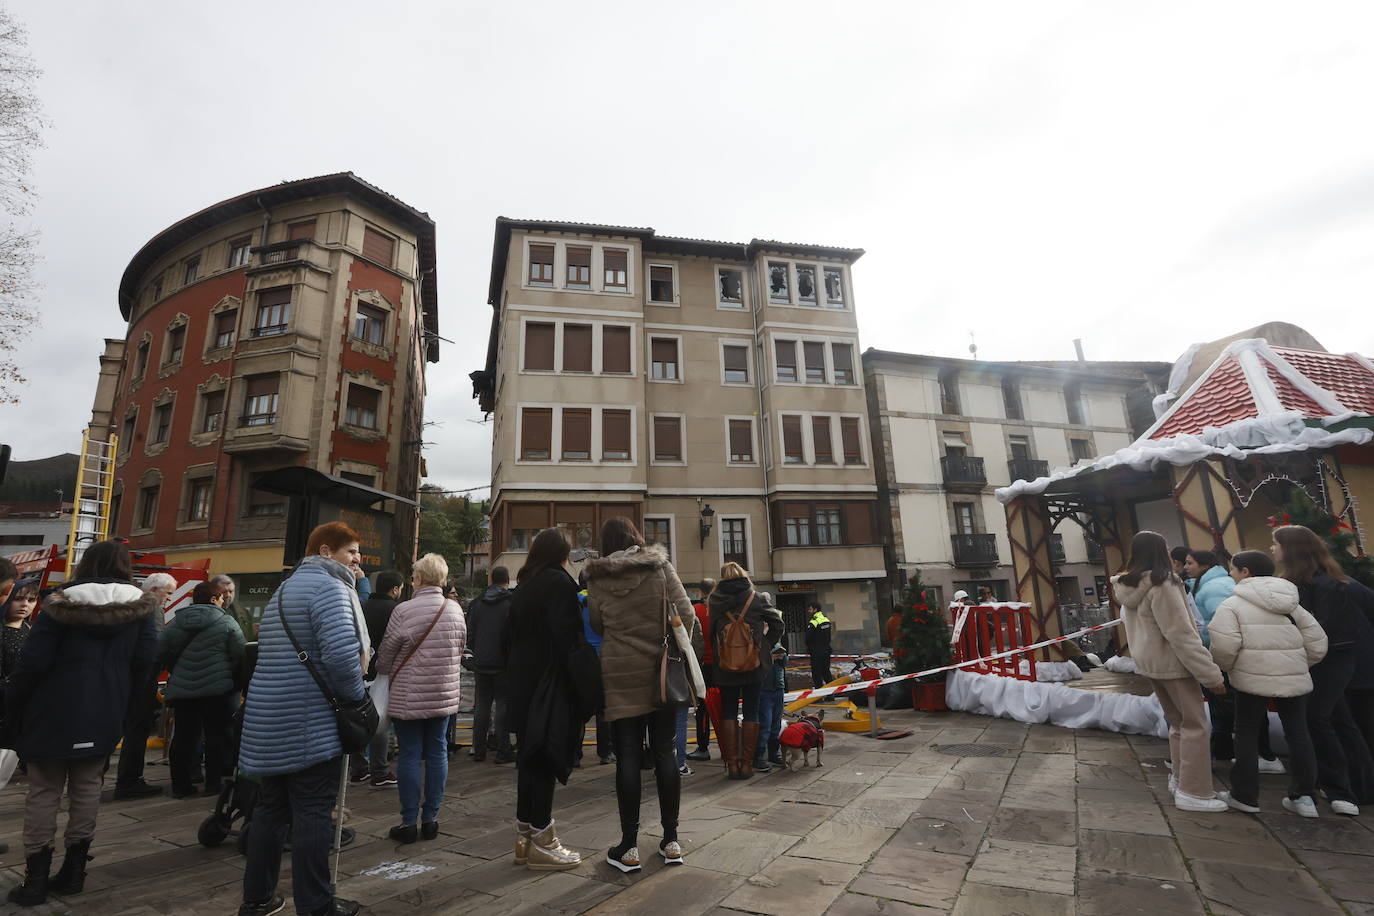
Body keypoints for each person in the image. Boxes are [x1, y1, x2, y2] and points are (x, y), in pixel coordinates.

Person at [3, 540, 159, 905]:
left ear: (86, 565)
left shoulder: (59, 605)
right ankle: (74, 873)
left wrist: (13, 703)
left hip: (51, 711)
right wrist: (127, 710)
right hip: (106, 710)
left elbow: (33, 663)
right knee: (88, 788)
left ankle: (35, 880)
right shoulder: (141, 610)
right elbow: (145, 666)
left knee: (44, 791)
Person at [238, 522, 368, 916]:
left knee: (271, 809)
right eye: (351, 551)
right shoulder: (330, 588)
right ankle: (315, 905)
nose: (357, 559)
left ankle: (258, 898)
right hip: (309, 720)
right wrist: (356, 700)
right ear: (325, 551)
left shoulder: (285, 589)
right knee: (313, 811)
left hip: (269, 719)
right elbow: (342, 657)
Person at [585, 517, 698, 872]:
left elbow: (597, 624)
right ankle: (671, 840)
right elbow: (687, 614)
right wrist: (672, 649)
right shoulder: (659, 567)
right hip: (660, 674)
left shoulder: (597, 578)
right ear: (635, 537)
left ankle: (629, 847)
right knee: (665, 751)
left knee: (628, 757)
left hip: (620, 674)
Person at [1111, 530, 1229, 812]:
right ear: (1161, 550)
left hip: (1151, 664)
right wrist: (1210, 674)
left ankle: (1180, 779)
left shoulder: (1129, 585)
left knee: (1178, 724)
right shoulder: (1164, 583)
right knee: (1196, 726)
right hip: (1175, 664)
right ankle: (1194, 791)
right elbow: (1181, 634)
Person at [1208, 550, 1327, 816]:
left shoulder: (1232, 605)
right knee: (1298, 732)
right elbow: (1318, 643)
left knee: (1247, 732)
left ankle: (1245, 795)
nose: (1230, 574)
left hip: (1251, 678)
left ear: (1245, 572)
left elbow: (1224, 647)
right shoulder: (1292, 604)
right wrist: (1297, 664)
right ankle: (1305, 797)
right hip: (1293, 676)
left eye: (1233, 569)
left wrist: (1230, 668)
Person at [1273, 524, 1374, 815]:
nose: (1272, 549)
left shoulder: (1326, 585)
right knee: (1339, 721)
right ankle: (1353, 787)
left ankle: (1344, 789)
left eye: (1276, 543)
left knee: (1319, 720)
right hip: (1335, 662)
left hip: (1331, 663)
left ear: (1291, 550)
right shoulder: (1321, 581)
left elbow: (1321, 630)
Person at [504, 528, 583, 871]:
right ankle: (543, 840)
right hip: (549, 685)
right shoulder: (559, 583)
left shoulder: (524, 584)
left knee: (528, 759)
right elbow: (568, 640)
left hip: (522, 684)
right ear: (562, 554)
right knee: (546, 758)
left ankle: (524, 838)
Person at [376, 553, 466, 844]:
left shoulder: (404, 610)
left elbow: (385, 657)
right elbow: (460, 648)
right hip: (442, 694)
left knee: (410, 754)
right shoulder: (455, 610)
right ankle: (431, 819)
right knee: (438, 751)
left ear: (418, 578)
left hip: (409, 695)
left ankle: (408, 822)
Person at [158, 577, 247, 799]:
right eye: (221, 597)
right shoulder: (227, 622)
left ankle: (181, 786)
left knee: (183, 737)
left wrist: (177, 670)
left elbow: (161, 650)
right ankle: (213, 785)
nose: (223, 600)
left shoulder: (177, 622)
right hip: (217, 691)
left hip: (183, 691)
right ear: (214, 599)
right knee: (215, 736)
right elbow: (240, 654)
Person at [709, 563, 784, 780]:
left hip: (725, 666)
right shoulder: (756, 598)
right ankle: (747, 765)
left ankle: (733, 765)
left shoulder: (714, 601)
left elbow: (711, 633)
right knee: (752, 711)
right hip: (754, 665)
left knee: (729, 712)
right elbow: (778, 624)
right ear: (744, 576)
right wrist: (764, 646)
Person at [113, 572, 175, 801]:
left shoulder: (128, 605)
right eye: (168, 593)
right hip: (142, 680)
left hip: (121, 677)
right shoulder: (151, 609)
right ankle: (130, 781)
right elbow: (153, 647)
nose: (169, 598)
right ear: (155, 590)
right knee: (137, 731)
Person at [352, 569, 403, 787]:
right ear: (395, 590)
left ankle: (358, 768)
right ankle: (379, 772)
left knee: (356, 720)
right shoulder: (396, 611)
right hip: (382, 673)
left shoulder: (362, 607)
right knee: (379, 721)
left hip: (358, 671)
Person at [467, 565, 516, 765]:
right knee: (503, 704)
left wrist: (477, 651)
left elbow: (470, 633)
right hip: (503, 662)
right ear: (507, 580)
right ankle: (503, 749)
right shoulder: (510, 603)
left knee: (482, 705)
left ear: (491, 580)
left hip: (481, 661)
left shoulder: (477, 603)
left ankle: (479, 749)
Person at [687, 579, 716, 762]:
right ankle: (728, 745)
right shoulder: (722, 609)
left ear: (700, 591)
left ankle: (703, 747)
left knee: (703, 708)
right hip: (722, 664)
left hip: (703, 665)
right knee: (724, 708)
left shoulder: (695, 610)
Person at [755, 644, 788, 770]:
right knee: (766, 724)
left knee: (776, 724)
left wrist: (782, 656)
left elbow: (785, 663)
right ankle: (759, 756)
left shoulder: (777, 644)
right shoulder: (759, 642)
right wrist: (770, 658)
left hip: (778, 689)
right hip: (765, 690)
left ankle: (773, 754)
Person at [804, 603, 833, 688]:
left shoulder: (814, 622)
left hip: (816, 652)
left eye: (810, 609)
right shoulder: (826, 620)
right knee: (826, 672)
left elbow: (808, 638)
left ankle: (819, 692)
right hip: (826, 650)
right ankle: (832, 692)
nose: (809, 611)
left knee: (816, 673)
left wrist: (809, 646)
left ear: (815, 609)